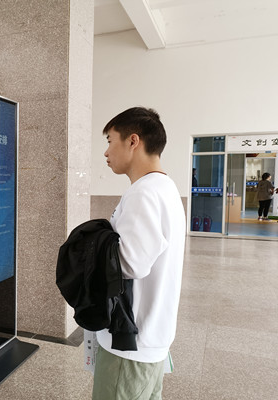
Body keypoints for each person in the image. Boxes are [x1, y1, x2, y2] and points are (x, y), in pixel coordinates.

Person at [92, 107, 186, 400]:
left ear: (133, 141)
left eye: (110, 141)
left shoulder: (143, 192)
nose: (106, 152)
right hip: (152, 336)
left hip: (130, 345)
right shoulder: (165, 187)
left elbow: (130, 264)